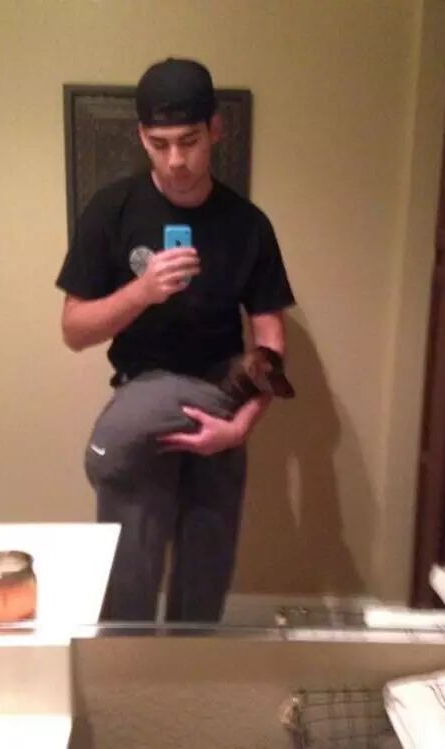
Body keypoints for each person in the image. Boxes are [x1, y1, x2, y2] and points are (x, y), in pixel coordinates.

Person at [55, 57, 296, 622]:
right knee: (128, 583)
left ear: (215, 128)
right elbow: (74, 331)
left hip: (224, 401)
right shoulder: (111, 210)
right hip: (144, 401)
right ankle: (125, 674)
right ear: (141, 135)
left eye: (189, 141)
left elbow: (270, 336)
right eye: (159, 144)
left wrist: (240, 427)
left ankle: (190, 675)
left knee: (204, 582)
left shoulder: (248, 225)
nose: (175, 160)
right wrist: (143, 292)